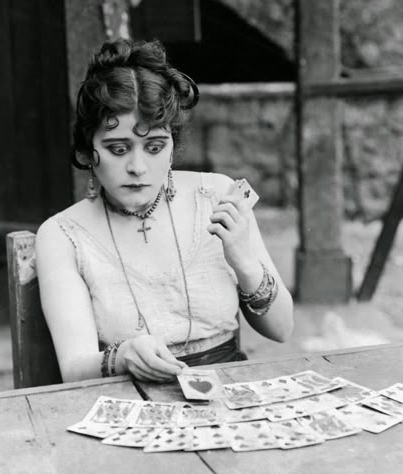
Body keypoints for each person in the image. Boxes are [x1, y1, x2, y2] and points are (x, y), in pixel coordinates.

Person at [36, 38, 293, 383]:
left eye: (154, 146)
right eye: (117, 148)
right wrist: (123, 356)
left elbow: (282, 328)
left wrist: (245, 262)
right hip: (127, 397)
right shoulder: (62, 235)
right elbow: (73, 368)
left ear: (172, 144)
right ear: (87, 152)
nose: (138, 167)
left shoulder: (216, 196)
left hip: (227, 392)